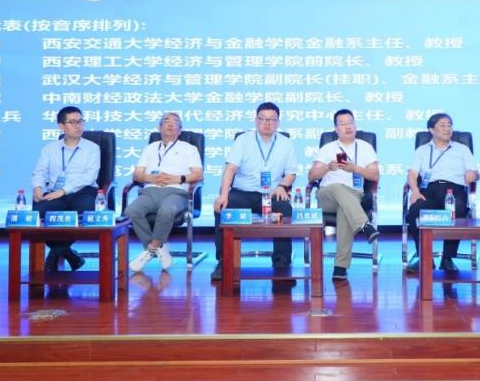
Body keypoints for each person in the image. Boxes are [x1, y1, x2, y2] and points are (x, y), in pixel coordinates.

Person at [211, 102, 297, 281]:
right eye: (263, 119)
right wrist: (223, 195)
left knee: (285, 208)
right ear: (255, 120)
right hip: (243, 192)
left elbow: (291, 173)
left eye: (272, 119)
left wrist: (282, 186)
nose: (267, 123)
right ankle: (223, 261)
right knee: (223, 208)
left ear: (278, 122)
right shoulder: (243, 140)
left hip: (272, 193)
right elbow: (230, 169)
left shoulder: (286, 143)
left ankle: (282, 262)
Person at [124, 112, 204, 273]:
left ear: (179, 131)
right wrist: (150, 178)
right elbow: (137, 175)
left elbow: (198, 174)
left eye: (175, 122)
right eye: (167, 120)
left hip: (176, 192)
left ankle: (151, 249)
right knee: (131, 211)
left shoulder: (189, 148)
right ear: (159, 127)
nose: (171, 124)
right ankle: (159, 246)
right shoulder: (150, 148)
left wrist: (178, 178)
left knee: (167, 210)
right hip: (150, 191)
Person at [307, 109, 381, 281]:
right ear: (336, 129)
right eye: (343, 123)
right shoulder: (327, 148)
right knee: (337, 187)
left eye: (350, 122)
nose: (348, 126)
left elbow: (375, 176)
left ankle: (340, 267)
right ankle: (365, 225)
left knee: (345, 209)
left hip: (354, 196)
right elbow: (311, 176)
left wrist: (355, 168)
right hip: (327, 195)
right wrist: (327, 167)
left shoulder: (365, 147)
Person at [405, 113, 480, 274]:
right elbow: (412, 174)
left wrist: (472, 175)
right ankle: (424, 257)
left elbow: (476, 173)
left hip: (454, 191)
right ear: (431, 130)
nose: (447, 129)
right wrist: (415, 192)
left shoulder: (462, 149)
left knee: (458, 210)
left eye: (449, 125)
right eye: (442, 125)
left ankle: (447, 258)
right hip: (428, 191)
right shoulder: (422, 150)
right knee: (414, 211)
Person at [30, 106, 100, 272]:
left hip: (83, 191)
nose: (78, 126)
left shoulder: (92, 148)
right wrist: (38, 187)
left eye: (80, 121)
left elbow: (89, 177)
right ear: (61, 126)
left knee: (83, 214)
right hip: (55, 192)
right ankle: (68, 253)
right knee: (39, 212)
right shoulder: (49, 149)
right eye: (73, 122)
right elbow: (39, 171)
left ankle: (55, 253)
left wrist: (64, 191)